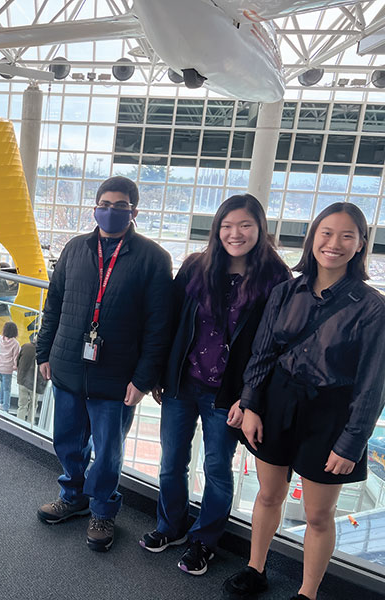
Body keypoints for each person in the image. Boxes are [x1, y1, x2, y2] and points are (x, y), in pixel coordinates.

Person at [223, 202, 385, 600]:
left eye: (347, 235)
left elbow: (373, 384)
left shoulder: (371, 306)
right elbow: (262, 355)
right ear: (313, 237)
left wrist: (352, 442)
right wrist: (250, 405)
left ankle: (307, 592)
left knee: (317, 514)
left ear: (361, 244)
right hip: (277, 403)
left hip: (331, 414)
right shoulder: (285, 291)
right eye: (326, 233)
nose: (334, 243)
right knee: (268, 495)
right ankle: (254, 568)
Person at [139, 195, 290, 575]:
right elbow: (170, 321)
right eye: (226, 225)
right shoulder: (196, 267)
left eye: (244, 226)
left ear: (260, 229)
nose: (234, 234)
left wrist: (250, 397)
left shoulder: (275, 278)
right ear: (216, 229)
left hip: (229, 395)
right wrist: (160, 375)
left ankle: (204, 541)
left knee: (217, 467)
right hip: (183, 382)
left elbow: (274, 347)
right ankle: (171, 526)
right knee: (171, 461)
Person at [35, 175, 173, 552]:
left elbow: (159, 326)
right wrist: (44, 351)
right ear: (95, 208)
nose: (111, 212)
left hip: (117, 374)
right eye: (105, 205)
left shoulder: (153, 258)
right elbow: (55, 304)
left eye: (120, 206)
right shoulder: (74, 249)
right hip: (68, 365)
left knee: (108, 449)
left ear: (134, 211)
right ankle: (73, 496)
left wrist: (144, 378)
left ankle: (102, 509)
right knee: (66, 439)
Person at [0, 321, 20, 412]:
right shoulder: (15, 343)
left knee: (2, 384)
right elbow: (16, 357)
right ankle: (5, 408)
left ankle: (1, 402)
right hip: (7, 369)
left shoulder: (1, 339)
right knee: (7, 389)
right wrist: (15, 367)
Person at [16, 333, 48, 422]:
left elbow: (17, 361)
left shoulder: (25, 347)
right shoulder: (44, 353)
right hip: (35, 384)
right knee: (33, 405)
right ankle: (30, 424)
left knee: (22, 405)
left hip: (22, 380)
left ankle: (19, 423)